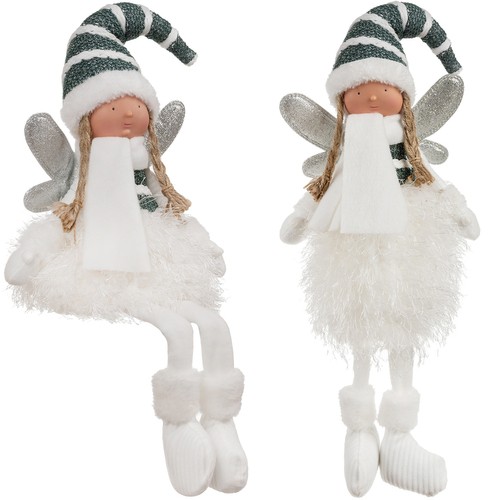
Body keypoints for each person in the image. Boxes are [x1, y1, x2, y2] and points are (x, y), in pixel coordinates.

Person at [4, 3, 247, 496]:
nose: (128, 113)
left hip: (159, 262)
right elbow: (63, 218)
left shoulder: (149, 178)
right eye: (113, 105)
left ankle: (222, 422)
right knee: (175, 330)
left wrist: (205, 246)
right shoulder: (85, 182)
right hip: (105, 268)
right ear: (86, 118)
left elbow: (173, 213)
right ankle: (180, 425)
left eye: (136, 104)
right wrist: (32, 253)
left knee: (215, 324)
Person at [280, 2, 479, 497]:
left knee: (404, 327)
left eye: (382, 88)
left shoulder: (407, 150)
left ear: (402, 97)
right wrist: (301, 216)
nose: (370, 97)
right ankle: (359, 430)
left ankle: (400, 436)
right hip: (352, 246)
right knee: (360, 332)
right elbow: (323, 185)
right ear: (342, 99)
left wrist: (458, 210)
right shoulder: (344, 151)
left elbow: (431, 179)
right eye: (358, 91)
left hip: (408, 244)